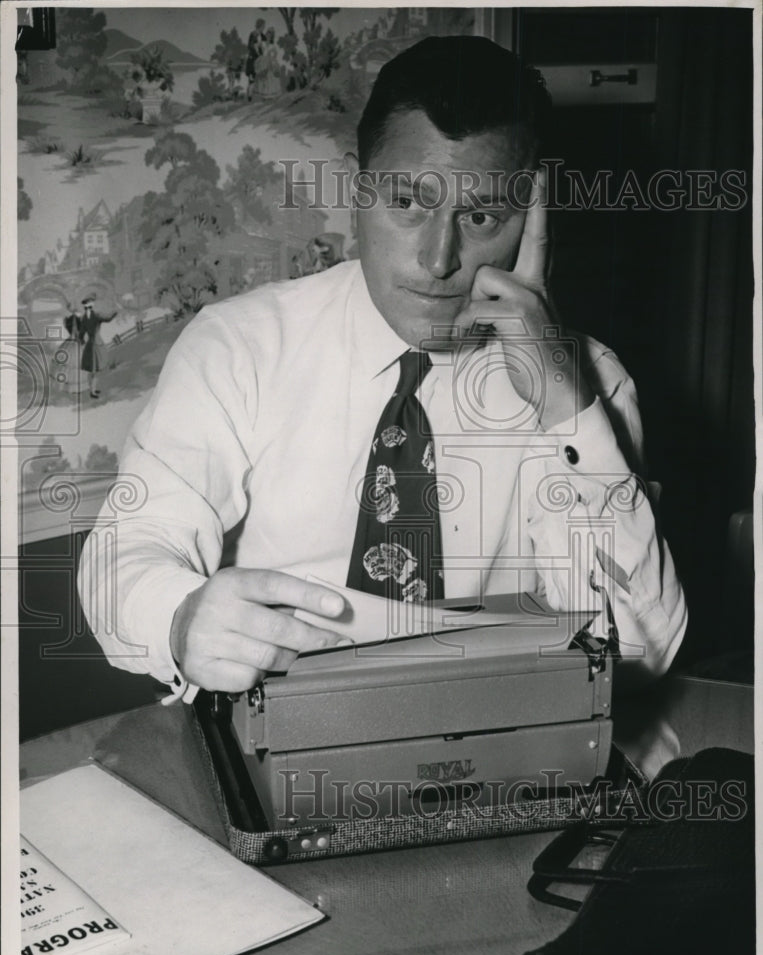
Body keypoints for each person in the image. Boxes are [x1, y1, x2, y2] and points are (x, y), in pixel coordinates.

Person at [79, 36, 686, 703]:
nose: (436, 259)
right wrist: (179, 618)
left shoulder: (588, 382)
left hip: (501, 749)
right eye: (406, 204)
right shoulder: (238, 349)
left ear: (531, 220)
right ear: (357, 188)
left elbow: (639, 652)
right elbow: (125, 549)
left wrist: (563, 409)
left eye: (480, 215)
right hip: (276, 741)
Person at [78, 294, 118, 399]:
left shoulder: (85, 317)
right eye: (91, 302)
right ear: (90, 304)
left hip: (90, 345)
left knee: (92, 370)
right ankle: (92, 391)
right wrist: (116, 311)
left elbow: (81, 332)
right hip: (95, 344)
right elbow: (108, 318)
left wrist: (81, 340)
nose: (92, 304)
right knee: (95, 370)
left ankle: (92, 389)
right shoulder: (95, 315)